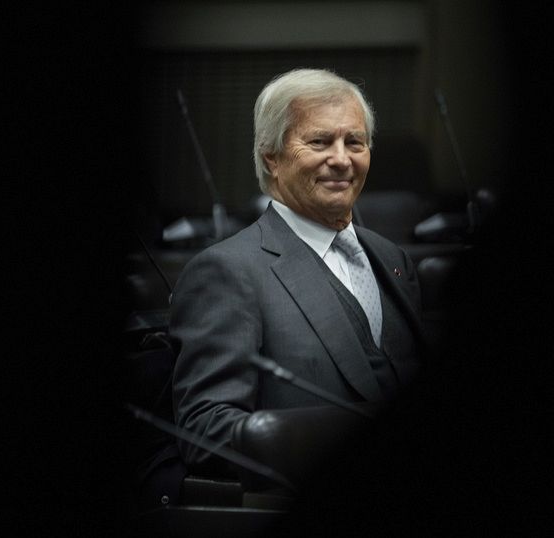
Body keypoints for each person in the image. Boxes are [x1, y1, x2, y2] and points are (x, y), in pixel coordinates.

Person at [169, 68, 426, 477]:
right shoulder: (227, 271)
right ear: (271, 156)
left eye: (355, 142)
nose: (341, 159)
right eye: (319, 141)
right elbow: (206, 431)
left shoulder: (393, 258)